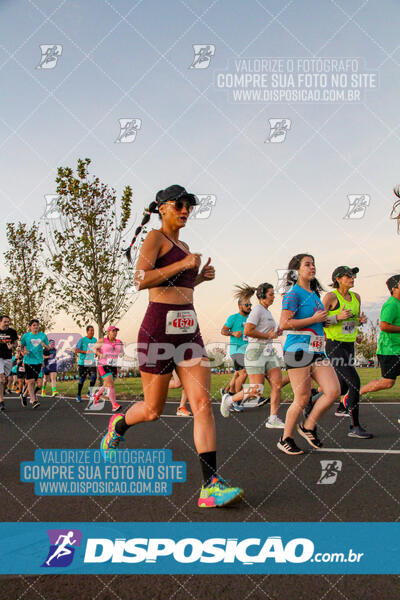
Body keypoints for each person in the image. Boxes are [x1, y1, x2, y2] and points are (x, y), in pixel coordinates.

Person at [100, 184, 243, 508]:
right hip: (158, 329)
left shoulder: (184, 244)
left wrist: (200, 277)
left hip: (188, 328)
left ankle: (210, 486)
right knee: (152, 410)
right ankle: (119, 424)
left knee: (201, 404)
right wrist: (182, 265)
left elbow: (180, 286)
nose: (185, 210)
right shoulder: (155, 238)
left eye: (188, 206)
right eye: (179, 204)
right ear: (162, 207)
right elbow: (140, 279)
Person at [277, 254, 340, 455]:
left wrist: (339, 318)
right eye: (308, 264)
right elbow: (284, 324)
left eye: (313, 264)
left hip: (317, 349)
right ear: (297, 271)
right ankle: (285, 438)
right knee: (302, 398)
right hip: (298, 350)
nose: (312, 267)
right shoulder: (293, 294)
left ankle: (308, 426)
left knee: (333, 391)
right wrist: (313, 318)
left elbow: (320, 321)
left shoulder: (313, 295)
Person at [220, 283, 285, 428]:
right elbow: (248, 331)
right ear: (262, 296)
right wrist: (267, 335)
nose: (273, 297)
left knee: (277, 384)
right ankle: (229, 400)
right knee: (256, 389)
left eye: (273, 294)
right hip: (255, 351)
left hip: (268, 351)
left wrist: (277, 332)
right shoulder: (257, 310)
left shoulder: (267, 312)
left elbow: (269, 332)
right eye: (271, 294)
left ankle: (273, 418)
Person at [322, 266, 372, 438]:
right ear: (338, 279)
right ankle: (355, 427)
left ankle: (312, 401)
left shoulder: (356, 297)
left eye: (353, 275)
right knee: (354, 382)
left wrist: (359, 324)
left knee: (341, 386)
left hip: (349, 345)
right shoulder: (330, 297)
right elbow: (317, 320)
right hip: (334, 345)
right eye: (348, 275)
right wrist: (337, 317)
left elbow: (352, 322)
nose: (353, 278)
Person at [359, 275, 400, 421]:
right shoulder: (391, 304)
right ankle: (356, 394)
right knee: (387, 383)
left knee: (388, 383)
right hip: (390, 350)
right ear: (394, 288)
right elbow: (384, 326)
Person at [220, 290, 252, 409]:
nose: (249, 307)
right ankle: (236, 401)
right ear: (240, 306)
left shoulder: (251, 317)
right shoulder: (233, 318)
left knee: (237, 375)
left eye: (250, 305)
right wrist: (233, 333)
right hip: (237, 350)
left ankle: (228, 394)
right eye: (247, 305)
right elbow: (223, 331)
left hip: (248, 350)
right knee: (244, 373)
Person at [20, 319, 49, 409]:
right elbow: (21, 347)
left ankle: (24, 395)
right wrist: (24, 351)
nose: (36, 327)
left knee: (33, 381)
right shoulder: (26, 336)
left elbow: (48, 348)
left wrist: (45, 346)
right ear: (30, 327)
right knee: (31, 381)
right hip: (28, 361)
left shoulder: (43, 336)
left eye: (37, 325)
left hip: (38, 362)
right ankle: (34, 400)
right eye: (34, 325)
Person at [93, 326, 123, 412]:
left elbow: (121, 352)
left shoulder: (119, 342)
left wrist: (121, 354)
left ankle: (97, 395)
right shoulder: (103, 341)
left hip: (113, 366)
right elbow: (94, 348)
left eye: (116, 331)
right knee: (110, 385)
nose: (115, 333)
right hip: (103, 365)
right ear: (108, 332)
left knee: (107, 384)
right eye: (113, 331)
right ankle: (114, 405)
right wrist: (100, 354)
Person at [75, 326, 98, 403]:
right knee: (82, 380)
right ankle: (78, 395)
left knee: (94, 376)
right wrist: (85, 352)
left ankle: (89, 393)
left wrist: (97, 353)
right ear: (87, 331)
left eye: (93, 330)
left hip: (91, 362)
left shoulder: (95, 340)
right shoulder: (82, 340)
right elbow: (76, 350)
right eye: (91, 330)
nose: (92, 332)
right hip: (83, 362)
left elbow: (96, 349)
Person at [0, 315, 18, 411]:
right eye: (5, 322)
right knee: (1, 378)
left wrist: (12, 346)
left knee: (5, 380)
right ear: (0, 322)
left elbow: (15, 343)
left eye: (8, 322)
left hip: (8, 357)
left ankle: (2, 394)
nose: (7, 323)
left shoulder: (12, 332)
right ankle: (1, 401)